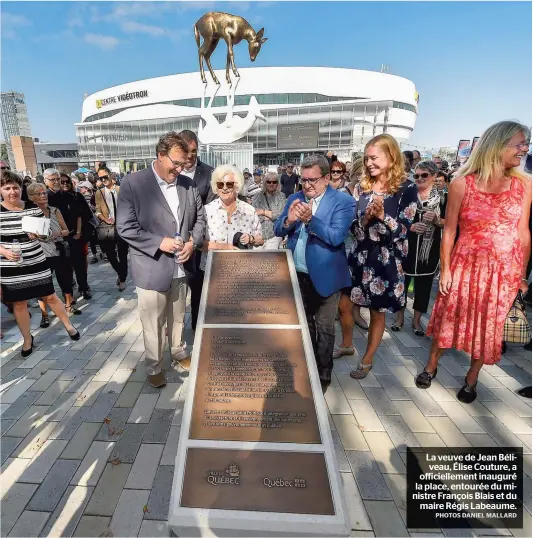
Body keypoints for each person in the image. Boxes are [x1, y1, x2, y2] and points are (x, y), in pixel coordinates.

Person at [418, 121, 531, 404]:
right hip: (465, 265)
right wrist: (445, 270)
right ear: (497, 145)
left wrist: (521, 277)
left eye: (526, 143)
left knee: (490, 326)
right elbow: (450, 230)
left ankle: (472, 378)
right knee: (448, 317)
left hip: (503, 272)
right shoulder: (461, 184)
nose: (525, 149)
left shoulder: (524, 185)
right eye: (519, 143)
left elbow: (523, 233)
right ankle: (431, 365)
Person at [116, 131, 206, 388]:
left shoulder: (188, 185)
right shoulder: (133, 183)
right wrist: (159, 243)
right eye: (175, 163)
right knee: (153, 321)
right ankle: (154, 365)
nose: (179, 169)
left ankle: (178, 351)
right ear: (160, 155)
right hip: (152, 267)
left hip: (181, 265)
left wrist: (192, 243)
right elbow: (125, 227)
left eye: (184, 164)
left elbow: (200, 219)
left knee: (179, 315)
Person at [275, 154, 355, 391]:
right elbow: (279, 228)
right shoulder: (295, 197)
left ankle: (323, 374)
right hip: (296, 274)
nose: (307, 185)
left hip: (325, 277)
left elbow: (336, 237)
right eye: (303, 179)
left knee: (325, 328)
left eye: (312, 180)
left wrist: (311, 220)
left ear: (327, 178)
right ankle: (306, 367)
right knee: (304, 325)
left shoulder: (343, 201)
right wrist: (289, 220)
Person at [348, 134, 418, 379]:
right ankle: (347, 344)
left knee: (378, 312)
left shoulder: (407, 188)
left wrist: (381, 217)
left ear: (391, 157)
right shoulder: (361, 187)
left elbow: (403, 231)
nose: (369, 163)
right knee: (347, 303)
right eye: (367, 158)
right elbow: (355, 230)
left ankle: (367, 359)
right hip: (361, 256)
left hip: (386, 261)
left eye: (374, 158)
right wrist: (366, 219)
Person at [0, 171, 80, 356]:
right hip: (11, 266)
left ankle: (68, 326)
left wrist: (39, 235)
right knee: (19, 304)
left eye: (15, 187)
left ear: (21, 189)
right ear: (1, 190)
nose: (12, 191)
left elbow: (45, 234)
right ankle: (27, 339)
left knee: (50, 296)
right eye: (7, 188)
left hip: (36, 260)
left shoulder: (33, 208)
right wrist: (4, 251)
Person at [391, 161, 446, 335]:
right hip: (407, 245)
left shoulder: (443, 197)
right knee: (401, 283)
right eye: (416, 175)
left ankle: (416, 321)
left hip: (429, 249)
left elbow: (451, 223)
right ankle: (399, 318)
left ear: (434, 176)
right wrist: (411, 227)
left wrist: (437, 220)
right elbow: (394, 218)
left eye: (424, 175)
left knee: (424, 286)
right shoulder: (406, 193)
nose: (419, 178)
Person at [174, 129, 215, 331]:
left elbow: (210, 211)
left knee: (198, 288)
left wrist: (193, 238)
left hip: (200, 244)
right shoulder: (172, 171)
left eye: (194, 150)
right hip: (173, 243)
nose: (190, 156)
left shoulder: (210, 173)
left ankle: (199, 330)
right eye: (185, 150)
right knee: (176, 291)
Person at [26, 182, 81, 326]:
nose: (44, 195)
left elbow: (65, 230)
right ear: (32, 197)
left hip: (58, 250)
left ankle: (68, 305)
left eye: (44, 192)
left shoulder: (54, 210)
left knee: (65, 279)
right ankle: (44, 314)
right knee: (42, 284)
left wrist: (52, 234)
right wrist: (44, 236)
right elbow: (30, 235)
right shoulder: (29, 213)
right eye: (39, 193)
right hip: (39, 253)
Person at [44, 168, 92, 300]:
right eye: (53, 179)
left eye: (58, 179)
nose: (57, 182)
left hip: (73, 236)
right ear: (45, 181)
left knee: (80, 265)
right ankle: (68, 297)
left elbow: (79, 216)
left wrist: (78, 233)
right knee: (63, 271)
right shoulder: (45, 198)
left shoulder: (70, 196)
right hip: (55, 240)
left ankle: (84, 288)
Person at [201, 165, 263, 266]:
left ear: (237, 186)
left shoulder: (249, 210)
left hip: (242, 268)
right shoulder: (206, 210)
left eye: (229, 184)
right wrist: (225, 247)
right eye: (220, 184)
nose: (224, 188)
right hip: (213, 269)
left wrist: (251, 238)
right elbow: (199, 244)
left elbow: (260, 240)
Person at [95, 167, 128, 291]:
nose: (103, 180)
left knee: (123, 253)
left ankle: (123, 279)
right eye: (100, 178)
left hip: (122, 226)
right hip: (108, 227)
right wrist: (104, 218)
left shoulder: (121, 190)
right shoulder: (100, 192)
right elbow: (97, 210)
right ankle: (120, 273)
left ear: (111, 175)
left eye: (105, 177)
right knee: (110, 254)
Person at [252, 172, 286, 250]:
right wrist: (270, 215)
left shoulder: (281, 196)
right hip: (259, 235)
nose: (271, 184)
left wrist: (263, 212)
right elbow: (254, 215)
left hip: (274, 236)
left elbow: (281, 216)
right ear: (265, 183)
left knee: (271, 259)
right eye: (269, 182)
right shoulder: (257, 196)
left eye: (274, 182)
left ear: (278, 184)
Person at [78, 180, 101, 264]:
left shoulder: (86, 197)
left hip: (90, 221)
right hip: (94, 221)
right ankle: (102, 254)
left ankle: (95, 256)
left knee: (92, 240)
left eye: (81, 187)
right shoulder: (92, 196)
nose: (80, 189)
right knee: (96, 239)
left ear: (86, 189)